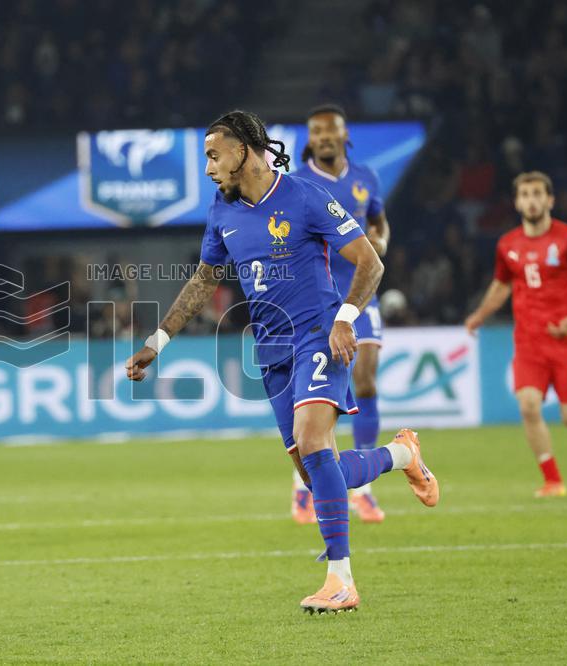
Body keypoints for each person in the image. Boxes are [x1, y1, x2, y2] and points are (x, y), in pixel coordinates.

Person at [125, 110, 438, 613]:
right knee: (318, 473)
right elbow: (205, 281)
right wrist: (157, 342)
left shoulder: (305, 196)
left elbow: (370, 261)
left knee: (315, 444)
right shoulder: (222, 211)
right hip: (269, 349)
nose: (208, 168)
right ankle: (401, 456)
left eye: (212, 155)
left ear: (244, 151)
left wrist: (345, 319)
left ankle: (341, 581)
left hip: (318, 335)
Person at [466, 171, 567, 496]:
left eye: (537, 194)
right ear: (517, 202)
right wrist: (479, 316)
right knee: (528, 405)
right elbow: (501, 285)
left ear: (550, 200)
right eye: (525, 194)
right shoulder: (508, 244)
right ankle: (552, 480)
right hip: (529, 342)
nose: (531, 200)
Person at [293, 104, 391, 524]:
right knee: (319, 399)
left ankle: (364, 492)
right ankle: (303, 488)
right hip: (317, 300)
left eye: (332, 131)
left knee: (365, 382)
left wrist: (380, 242)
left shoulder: (365, 177)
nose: (325, 138)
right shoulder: (297, 184)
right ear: (310, 139)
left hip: (360, 293)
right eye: (317, 132)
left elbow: (380, 223)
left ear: (345, 135)